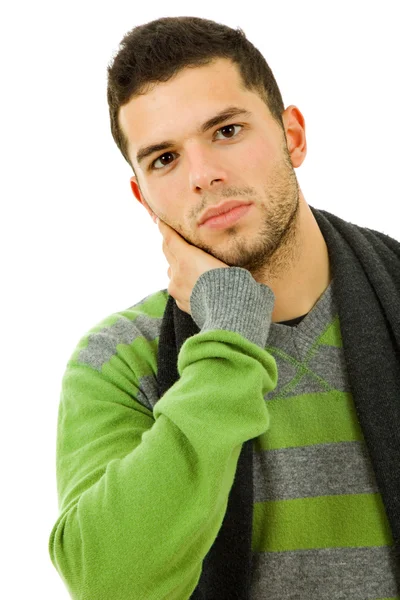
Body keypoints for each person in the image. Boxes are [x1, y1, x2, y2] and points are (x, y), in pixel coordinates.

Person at [48, 15, 400, 600]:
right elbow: (110, 583)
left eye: (227, 131)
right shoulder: (117, 360)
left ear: (293, 135)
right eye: (164, 159)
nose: (203, 175)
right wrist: (230, 335)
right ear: (142, 194)